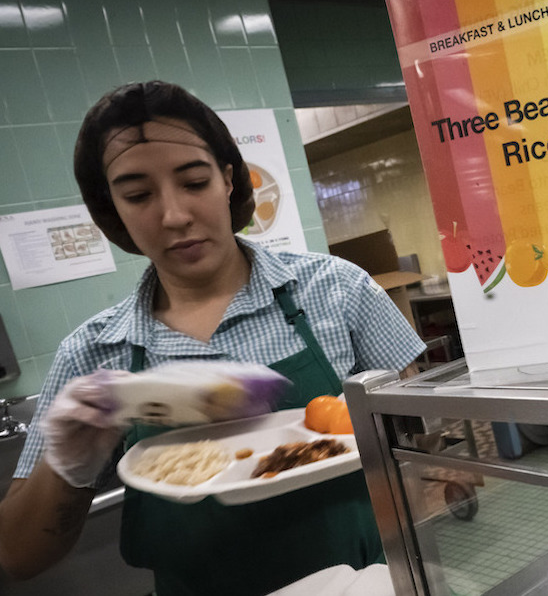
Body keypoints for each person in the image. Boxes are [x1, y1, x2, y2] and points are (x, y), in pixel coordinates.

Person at [0, 81, 425, 595]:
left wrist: (414, 559)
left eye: (195, 182)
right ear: (111, 208)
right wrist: (67, 466)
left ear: (229, 179)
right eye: (137, 195)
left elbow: (418, 439)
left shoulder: (337, 290)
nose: (174, 215)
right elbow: (17, 558)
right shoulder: (92, 354)